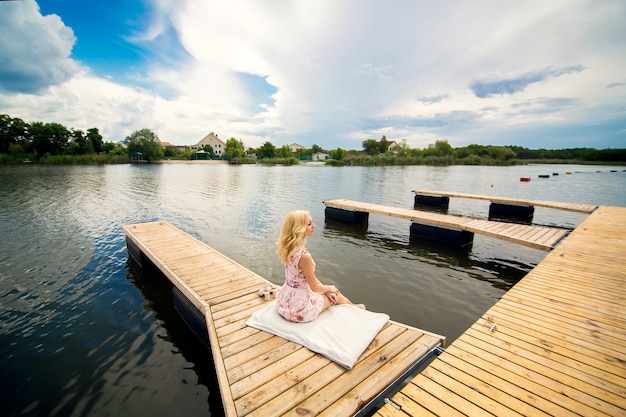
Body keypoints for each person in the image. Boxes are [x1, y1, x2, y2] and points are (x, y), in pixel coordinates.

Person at [275, 210, 364, 323]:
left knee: (328, 291)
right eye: (309, 224)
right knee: (334, 293)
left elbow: (308, 278)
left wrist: (326, 289)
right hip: (300, 311)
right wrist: (329, 288)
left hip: (285, 303)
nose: (314, 226)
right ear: (299, 229)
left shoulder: (289, 249)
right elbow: (315, 288)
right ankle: (354, 307)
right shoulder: (304, 257)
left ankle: (352, 306)